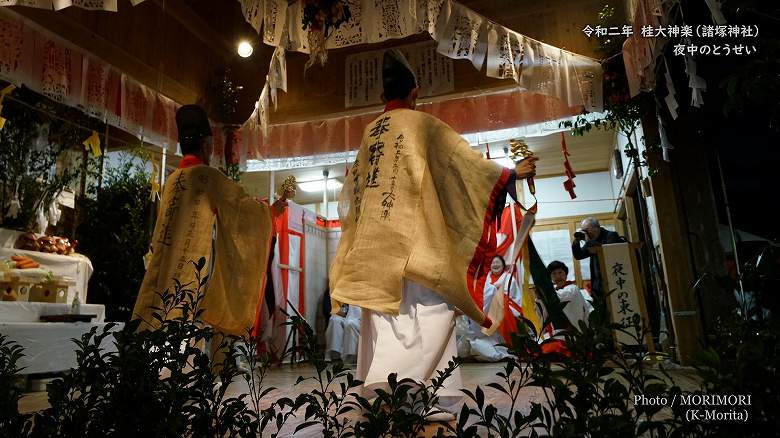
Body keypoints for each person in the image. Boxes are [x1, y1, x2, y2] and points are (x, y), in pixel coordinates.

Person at [329, 49, 536, 421]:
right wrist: (509, 175)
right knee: (430, 314)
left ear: (382, 98)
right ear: (416, 92)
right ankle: (406, 393)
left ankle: (389, 395)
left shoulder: (369, 133)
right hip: (414, 246)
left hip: (374, 251)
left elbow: (353, 195)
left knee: (385, 321)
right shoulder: (421, 124)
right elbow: (463, 164)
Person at [133, 104, 274, 375]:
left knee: (161, 323)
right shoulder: (207, 177)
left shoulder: (173, 179)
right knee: (189, 332)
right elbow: (243, 209)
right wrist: (270, 211)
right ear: (207, 144)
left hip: (163, 271)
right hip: (193, 276)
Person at [571, 217, 625, 300]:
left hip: (612, 284)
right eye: (583, 230)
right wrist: (576, 241)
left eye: (586, 230)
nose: (585, 233)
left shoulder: (611, 236)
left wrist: (588, 241)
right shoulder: (591, 240)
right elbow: (578, 256)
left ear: (596, 227)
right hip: (597, 286)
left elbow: (608, 254)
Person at [547, 260, 592, 330]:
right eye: (554, 273)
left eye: (560, 272)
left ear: (565, 274)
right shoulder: (555, 290)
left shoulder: (572, 288)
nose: (558, 276)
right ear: (550, 277)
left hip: (577, 328)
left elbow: (560, 297)